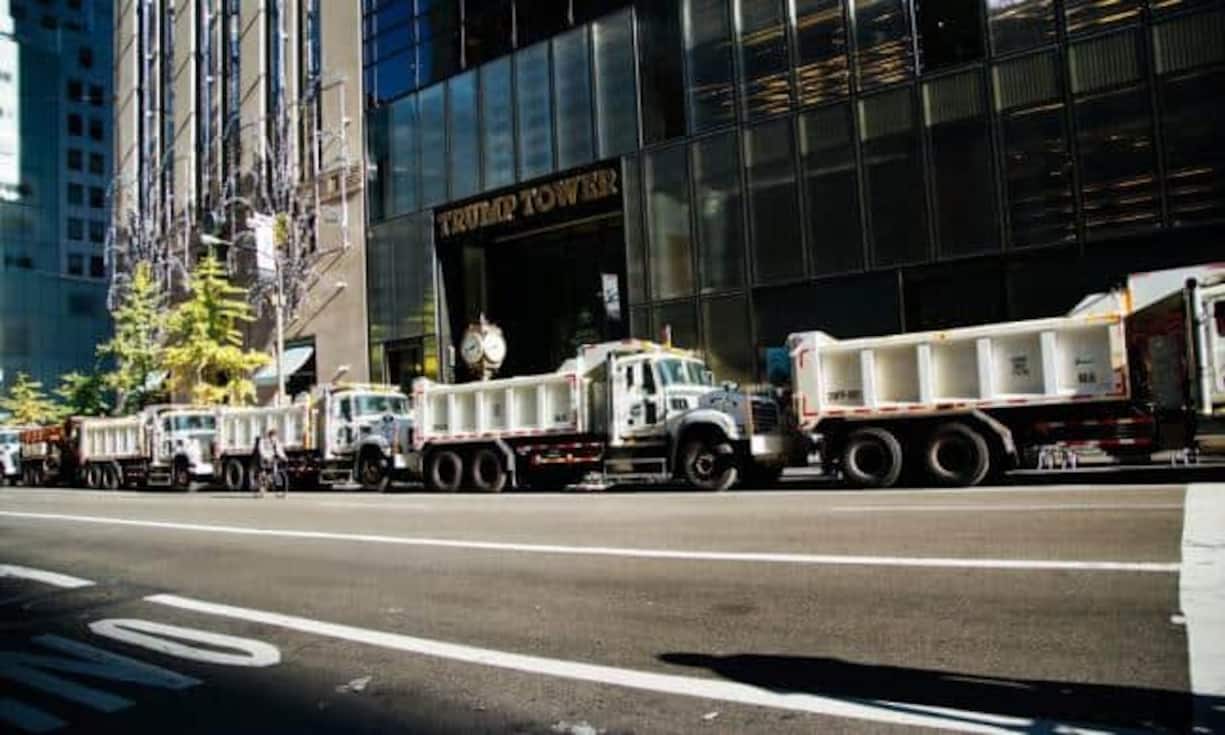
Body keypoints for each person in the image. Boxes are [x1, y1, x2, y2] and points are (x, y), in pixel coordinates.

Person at [254, 428, 288, 498]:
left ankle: (275, 487)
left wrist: (284, 457)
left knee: (271, 475)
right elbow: (261, 450)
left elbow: (279, 450)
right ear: (269, 436)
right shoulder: (263, 441)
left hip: (271, 458)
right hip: (263, 459)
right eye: (273, 436)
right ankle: (261, 490)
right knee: (263, 474)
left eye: (275, 436)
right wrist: (266, 457)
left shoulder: (276, 441)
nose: (274, 438)